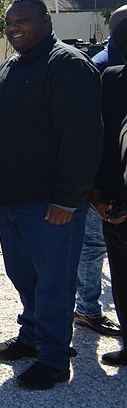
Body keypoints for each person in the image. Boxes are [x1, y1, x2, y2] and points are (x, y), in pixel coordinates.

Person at [0, 0, 102, 390]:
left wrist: (67, 198)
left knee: (54, 281)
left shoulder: (66, 65)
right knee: (23, 275)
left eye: (23, 20)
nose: (14, 27)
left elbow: (82, 136)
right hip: (12, 198)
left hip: (51, 204)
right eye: (9, 21)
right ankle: (31, 337)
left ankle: (54, 358)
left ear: (46, 20)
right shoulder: (13, 65)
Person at [74, 4, 127, 337]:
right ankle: (88, 309)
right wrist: (96, 190)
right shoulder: (102, 69)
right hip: (106, 182)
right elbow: (91, 134)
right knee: (93, 246)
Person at [92, 28, 127, 364]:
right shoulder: (112, 80)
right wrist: (98, 195)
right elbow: (99, 141)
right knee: (121, 275)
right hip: (115, 206)